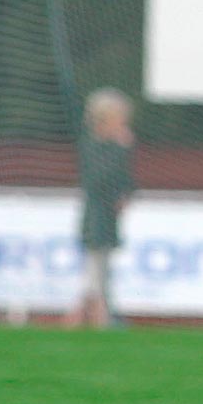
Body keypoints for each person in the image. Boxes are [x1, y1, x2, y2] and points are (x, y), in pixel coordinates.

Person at [66, 88, 136, 329]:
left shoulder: (112, 146)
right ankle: (95, 317)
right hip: (96, 217)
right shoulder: (93, 145)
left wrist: (126, 195)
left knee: (101, 269)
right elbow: (99, 178)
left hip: (108, 217)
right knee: (95, 270)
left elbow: (125, 180)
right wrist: (121, 148)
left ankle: (99, 315)